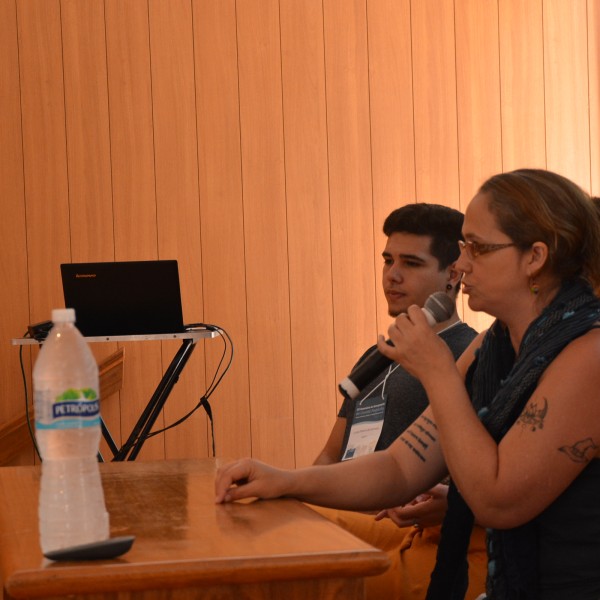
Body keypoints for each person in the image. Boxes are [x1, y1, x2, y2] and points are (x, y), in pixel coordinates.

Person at [215, 169, 600, 599]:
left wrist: (437, 373)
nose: (460, 264)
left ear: (535, 257)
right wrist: (286, 480)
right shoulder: (493, 345)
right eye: (461, 246)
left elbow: (498, 501)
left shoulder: (588, 354)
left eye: (477, 248)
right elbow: (400, 466)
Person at [312, 203, 485, 599]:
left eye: (411, 262)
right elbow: (329, 455)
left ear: (453, 273)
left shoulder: (463, 355)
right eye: (388, 259)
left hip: (408, 530)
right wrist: (295, 495)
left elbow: (433, 473)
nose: (392, 274)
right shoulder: (376, 357)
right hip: (351, 515)